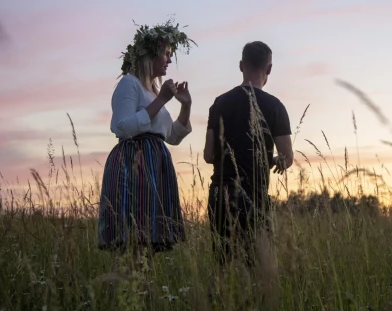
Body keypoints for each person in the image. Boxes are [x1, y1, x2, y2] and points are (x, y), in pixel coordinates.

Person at [98, 19, 195, 260]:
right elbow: (123, 127)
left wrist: (186, 106)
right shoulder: (129, 84)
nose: (170, 60)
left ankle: (142, 293)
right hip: (134, 164)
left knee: (149, 242)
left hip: (156, 164)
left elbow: (171, 136)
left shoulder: (151, 90)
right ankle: (125, 291)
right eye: (166, 53)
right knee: (132, 240)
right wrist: (161, 99)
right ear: (150, 55)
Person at [204, 41, 294, 266]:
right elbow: (287, 158)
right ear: (269, 69)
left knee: (223, 269)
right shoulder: (275, 106)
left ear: (241, 65)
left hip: (220, 195)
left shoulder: (220, 103)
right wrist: (272, 160)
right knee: (259, 269)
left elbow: (208, 155)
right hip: (254, 196)